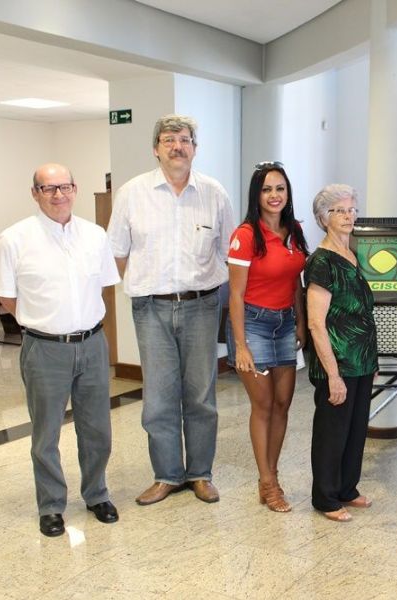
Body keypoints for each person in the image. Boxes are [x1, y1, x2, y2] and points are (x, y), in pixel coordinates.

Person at [107, 115, 234, 506]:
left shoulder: (214, 193)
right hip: (151, 309)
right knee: (159, 397)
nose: (177, 146)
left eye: (184, 139)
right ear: (156, 148)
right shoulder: (132, 193)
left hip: (202, 306)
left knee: (201, 396)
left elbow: (228, 251)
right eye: (168, 140)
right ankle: (166, 475)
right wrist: (143, 287)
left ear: (195, 147)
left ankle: (200, 474)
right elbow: (116, 253)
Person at [0, 163, 121, 537]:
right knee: (46, 434)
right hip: (45, 349)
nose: (58, 195)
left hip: (92, 344)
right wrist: (41, 322)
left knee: (97, 429)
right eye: (48, 188)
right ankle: (51, 506)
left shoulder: (95, 235)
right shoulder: (14, 239)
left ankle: (97, 494)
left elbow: (103, 286)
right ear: (35, 193)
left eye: (64, 187)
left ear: (75, 189)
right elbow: (6, 296)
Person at [228, 162, 309, 512]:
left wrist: (300, 323)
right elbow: (235, 295)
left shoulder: (295, 230)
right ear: (256, 195)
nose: (274, 195)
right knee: (262, 405)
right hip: (254, 324)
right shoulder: (246, 235)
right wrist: (241, 346)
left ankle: (271, 475)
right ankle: (268, 482)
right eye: (266, 190)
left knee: (282, 404)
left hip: (286, 323)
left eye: (280, 188)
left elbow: (296, 283)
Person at [305, 184, 378, 523]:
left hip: (361, 360)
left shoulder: (352, 253)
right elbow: (316, 323)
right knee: (332, 432)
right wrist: (333, 375)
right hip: (336, 362)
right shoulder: (321, 262)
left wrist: (371, 360)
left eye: (352, 210)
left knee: (355, 429)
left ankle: (347, 488)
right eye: (340, 211)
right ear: (324, 218)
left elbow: (360, 313)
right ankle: (325, 497)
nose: (349, 216)